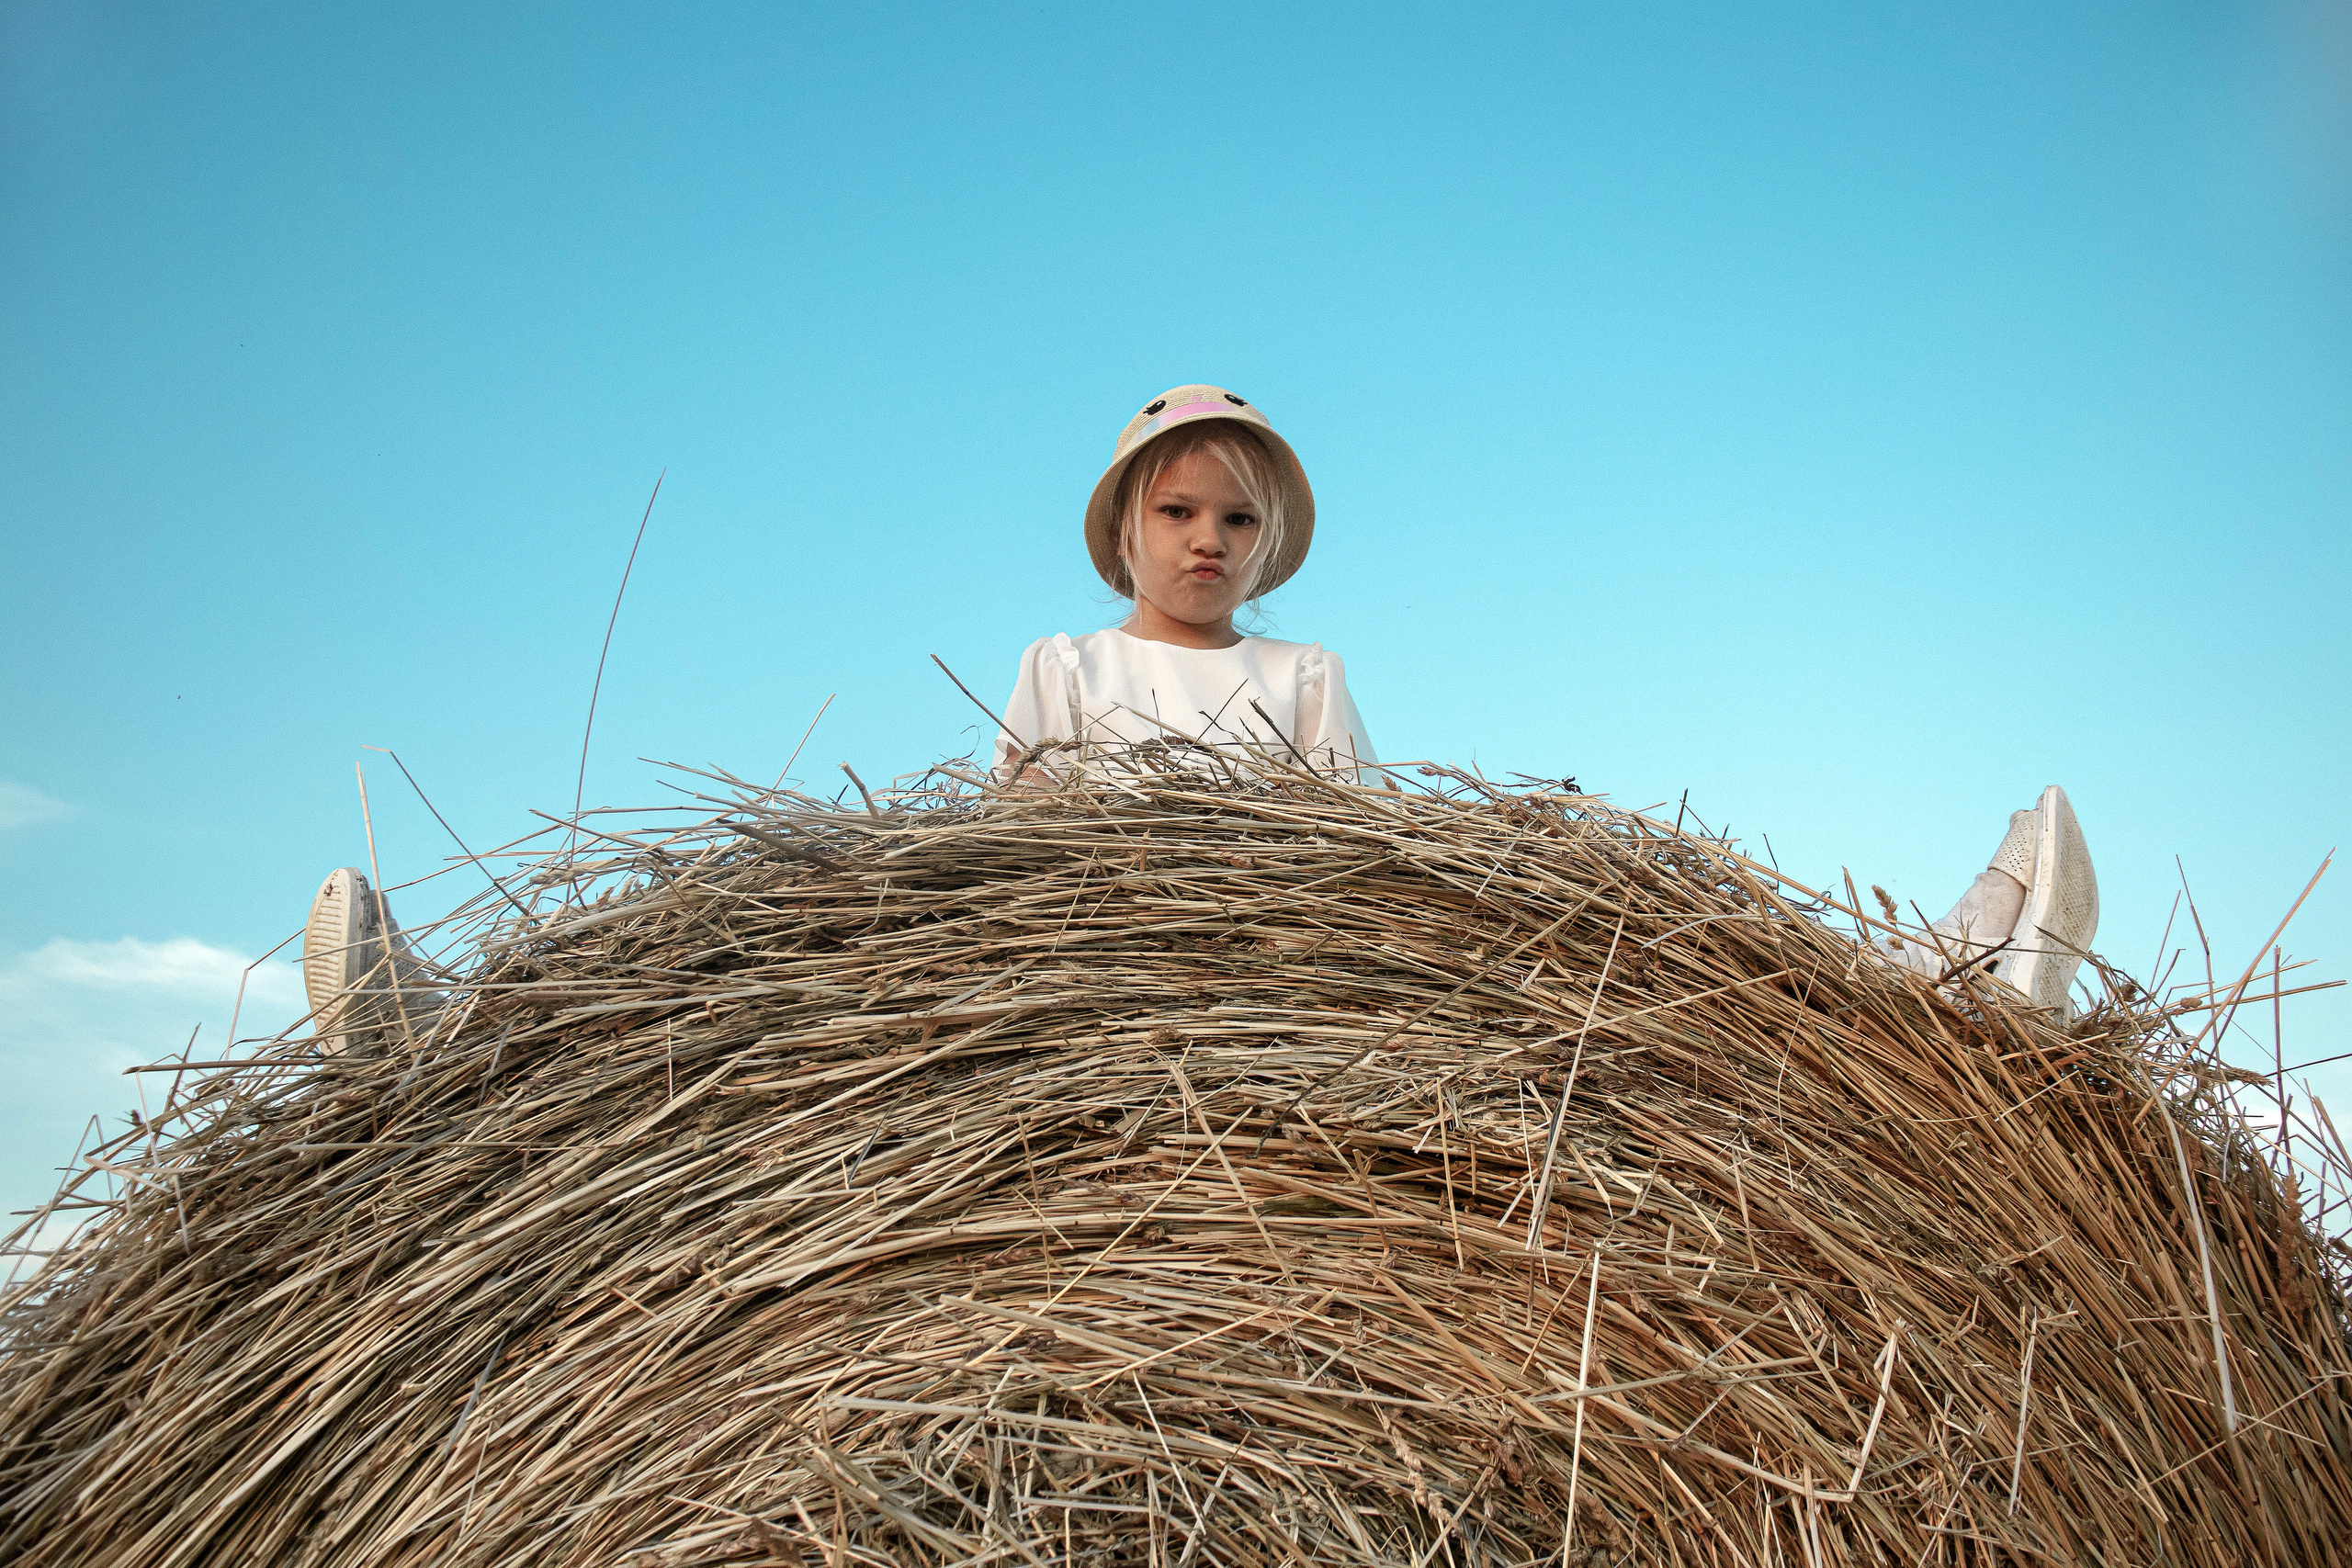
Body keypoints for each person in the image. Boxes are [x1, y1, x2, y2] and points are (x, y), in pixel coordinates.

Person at [300, 383, 2100, 1042]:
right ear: (1122, 526)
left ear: (1269, 545)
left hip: (1286, 954)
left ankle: (1941, 991)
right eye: (1176, 510)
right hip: (1061, 940)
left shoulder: (1302, 678)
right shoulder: (1060, 666)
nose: (1208, 540)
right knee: (770, 924)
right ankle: (458, 1035)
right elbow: (994, 824)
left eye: (1238, 518)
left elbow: (1370, 834)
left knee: (1602, 906)